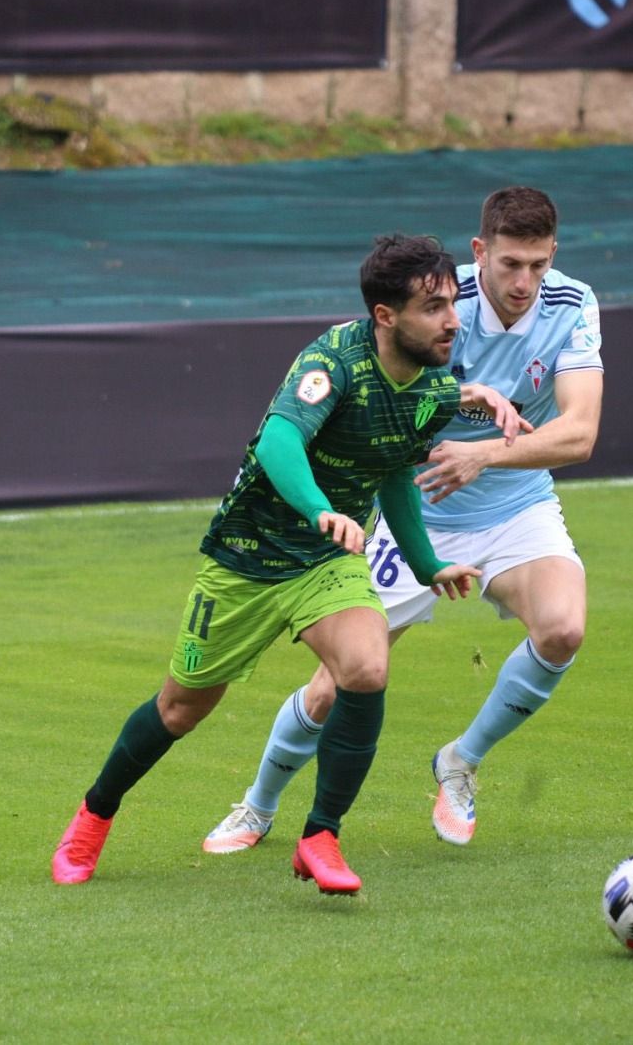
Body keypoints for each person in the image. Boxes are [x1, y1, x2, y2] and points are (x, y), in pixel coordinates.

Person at [51, 233, 530, 894]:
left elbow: (393, 471)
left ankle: (320, 836)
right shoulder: (334, 357)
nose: (452, 319)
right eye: (433, 307)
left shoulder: (431, 385)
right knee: (180, 709)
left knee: (365, 667)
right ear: (386, 316)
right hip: (247, 557)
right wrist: (318, 509)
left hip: (326, 562)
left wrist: (427, 564)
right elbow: (279, 438)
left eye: (452, 303)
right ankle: (93, 816)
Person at [201, 186, 603, 854]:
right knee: (338, 682)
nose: (524, 282)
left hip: (515, 501)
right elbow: (378, 382)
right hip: (412, 502)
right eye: (509, 264)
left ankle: (460, 761)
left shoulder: (573, 303)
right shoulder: (441, 300)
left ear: (553, 255)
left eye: (538, 264)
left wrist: (481, 456)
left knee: (564, 628)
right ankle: (258, 804)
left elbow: (580, 433)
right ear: (481, 253)